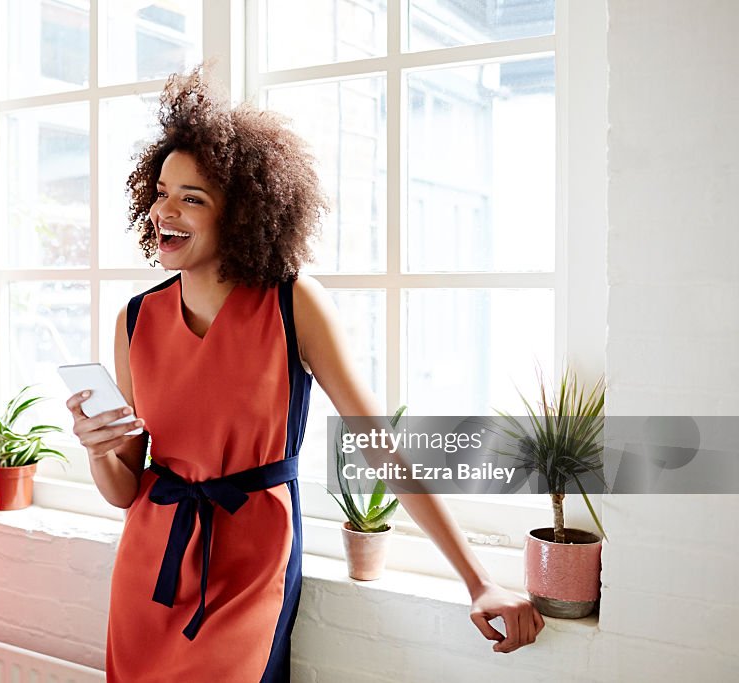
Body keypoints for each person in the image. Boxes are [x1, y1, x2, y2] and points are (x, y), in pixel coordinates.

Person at [66, 65, 544, 682]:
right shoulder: (135, 318)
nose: (166, 211)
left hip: (253, 560)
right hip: (150, 566)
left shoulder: (292, 303)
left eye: (193, 198)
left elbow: (380, 446)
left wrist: (479, 580)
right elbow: (125, 492)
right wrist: (97, 449)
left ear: (239, 215)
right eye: (161, 191)